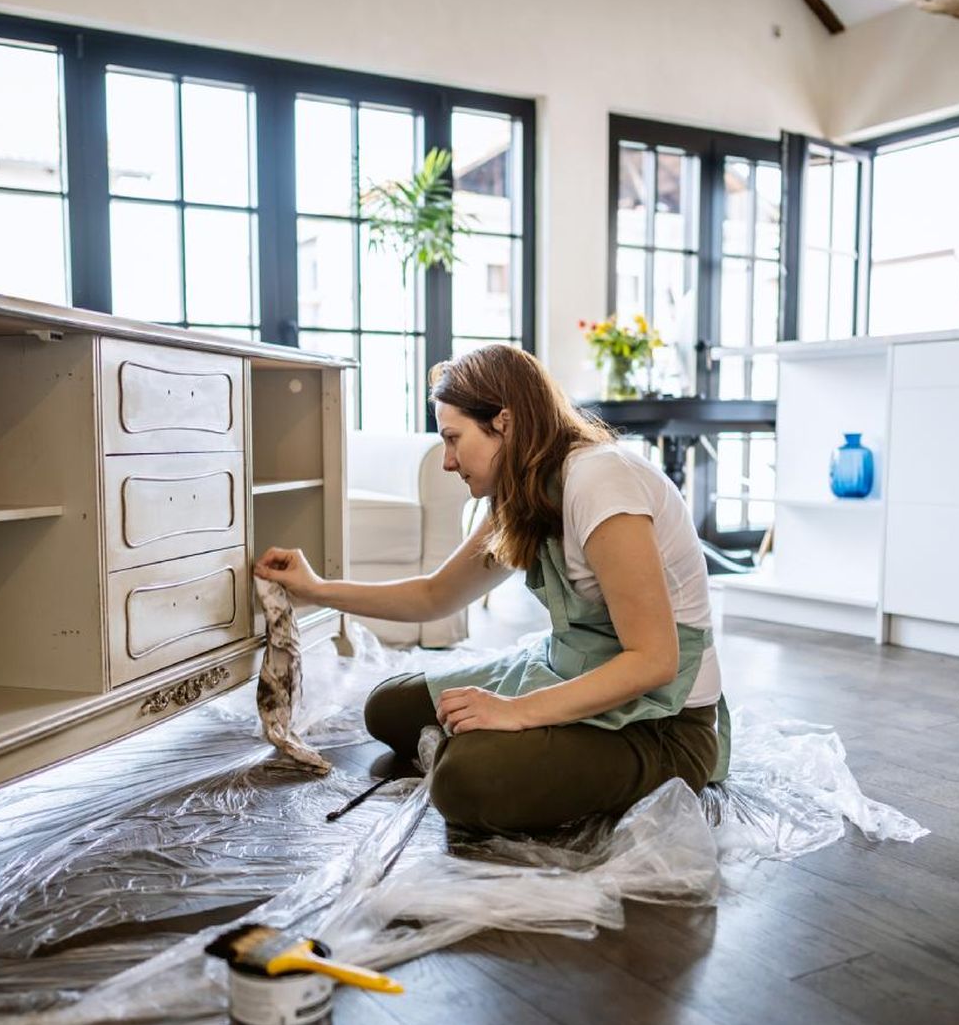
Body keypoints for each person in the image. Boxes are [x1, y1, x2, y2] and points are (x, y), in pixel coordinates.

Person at [252, 344, 729, 834]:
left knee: (466, 781)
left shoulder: (600, 481)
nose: (448, 461)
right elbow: (435, 596)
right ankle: (509, 750)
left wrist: (515, 712)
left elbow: (654, 661)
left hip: (662, 723)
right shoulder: (523, 492)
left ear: (504, 422)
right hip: (571, 672)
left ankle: (493, 754)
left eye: (454, 438)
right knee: (386, 707)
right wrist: (316, 589)